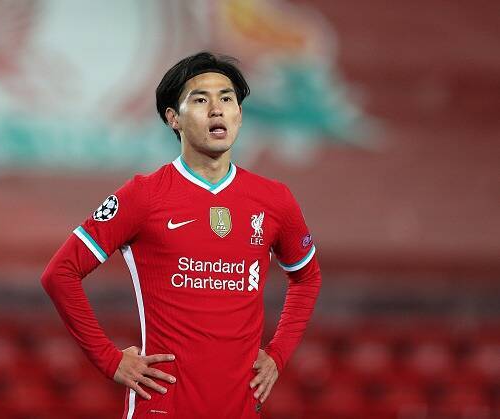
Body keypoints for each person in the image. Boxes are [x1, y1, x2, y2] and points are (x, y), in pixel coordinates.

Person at [41, 51, 321, 419]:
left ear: (239, 114)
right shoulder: (143, 196)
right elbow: (59, 274)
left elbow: (306, 277)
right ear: (173, 117)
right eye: (201, 100)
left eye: (227, 99)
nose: (217, 109)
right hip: (163, 409)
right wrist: (109, 360)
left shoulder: (274, 199)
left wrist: (278, 354)